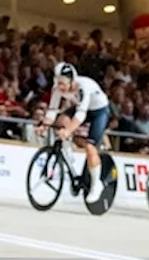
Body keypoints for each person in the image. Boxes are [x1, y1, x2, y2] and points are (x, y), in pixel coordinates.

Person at [41, 61, 111, 202]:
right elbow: (52, 110)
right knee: (61, 120)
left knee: (91, 147)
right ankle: (70, 147)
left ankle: (96, 185)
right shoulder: (57, 88)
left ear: (72, 80)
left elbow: (80, 115)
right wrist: (43, 125)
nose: (60, 86)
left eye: (63, 83)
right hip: (82, 108)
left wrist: (68, 131)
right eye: (57, 82)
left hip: (99, 111)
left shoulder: (83, 87)